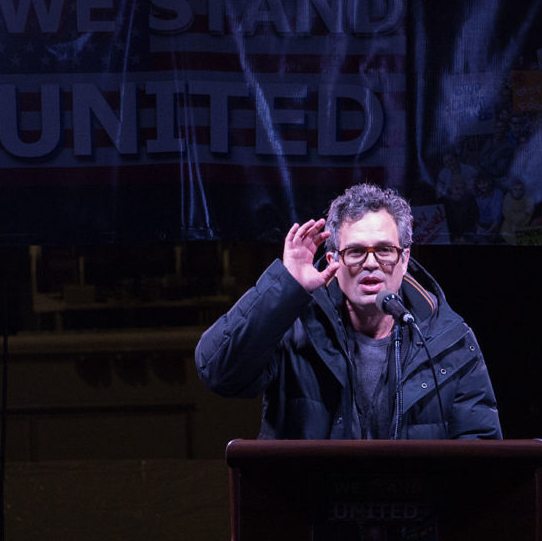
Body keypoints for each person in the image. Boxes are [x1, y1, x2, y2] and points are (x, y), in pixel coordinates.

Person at [195, 183, 502, 440]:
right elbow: (218, 371)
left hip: (414, 510)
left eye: (384, 250)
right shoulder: (294, 325)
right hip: (311, 509)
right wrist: (287, 288)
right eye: (355, 251)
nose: (371, 263)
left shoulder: (450, 339)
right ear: (333, 260)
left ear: (404, 258)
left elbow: (482, 456)